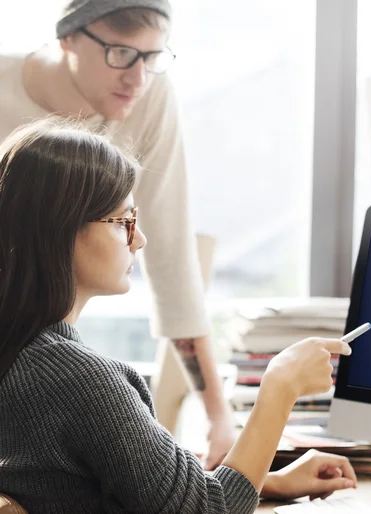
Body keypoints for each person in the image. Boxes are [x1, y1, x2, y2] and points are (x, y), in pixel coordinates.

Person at [0, 118, 357, 513]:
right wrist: (281, 387)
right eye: (124, 222)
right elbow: (208, 510)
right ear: (61, 231)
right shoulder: (78, 381)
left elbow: (97, 489)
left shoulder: (22, 356)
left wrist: (266, 482)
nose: (140, 239)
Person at [0, 0, 236, 468]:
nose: (138, 78)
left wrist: (218, 417)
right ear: (67, 37)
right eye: (121, 53)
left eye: (153, 57)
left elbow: (170, 257)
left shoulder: (150, 95)